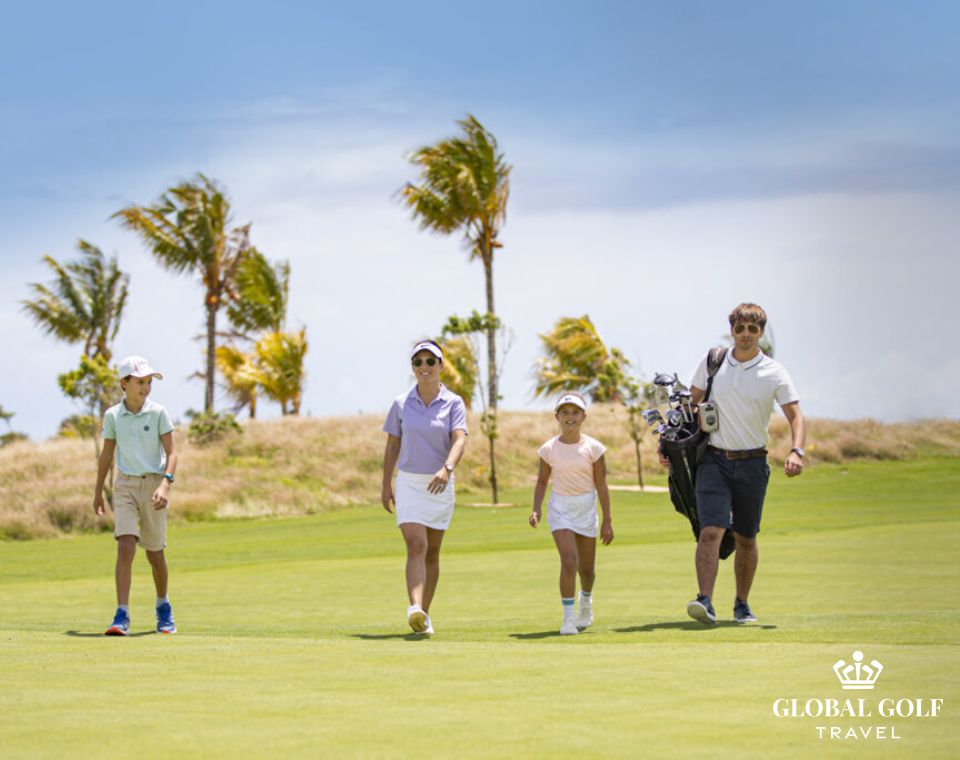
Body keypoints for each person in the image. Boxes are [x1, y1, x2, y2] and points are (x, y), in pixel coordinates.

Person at [662, 303, 805, 625]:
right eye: (739, 328)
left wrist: (797, 451)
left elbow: (795, 415)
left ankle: (741, 603)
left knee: (745, 537)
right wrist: (668, 445)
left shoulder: (775, 372)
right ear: (732, 330)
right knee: (711, 530)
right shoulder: (713, 362)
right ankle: (705, 600)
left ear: (761, 333)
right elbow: (689, 405)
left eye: (751, 329)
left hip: (753, 463)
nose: (744, 335)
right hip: (714, 459)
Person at [381, 340, 468, 635]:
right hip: (409, 482)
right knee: (416, 545)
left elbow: (459, 439)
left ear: (441, 366)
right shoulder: (401, 403)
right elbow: (393, 444)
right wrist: (385, 484)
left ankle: (423, 617)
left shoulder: (454, 403)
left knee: (432, 551)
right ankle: (414, 607)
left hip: (441, 482)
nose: (424, 367)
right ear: (413, 368)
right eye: (418, 362)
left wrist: (447, 468)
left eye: (430, 361)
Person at [93, 356, 178, 635]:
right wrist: (97, 491)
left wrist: (165, 485)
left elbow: (173, 452)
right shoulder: (113, 416)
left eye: (149, 382)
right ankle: (122, 615)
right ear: (124, 384)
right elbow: (107, 454)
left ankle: (163, 606)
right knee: (125, 545)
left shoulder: (158, 413)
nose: (146, 388)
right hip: (125, 485)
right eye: (140, 382)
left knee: (155, 554)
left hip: (154, 484)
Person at [530, 392, 614, 635]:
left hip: (586, 508)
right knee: (569, 560)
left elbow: (601, 485)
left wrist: (607, 520)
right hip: (560, 509)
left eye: (575, 412)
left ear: (583, 416)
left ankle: (585, 603)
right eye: (565, 412)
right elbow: (542, 481)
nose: (570, 416)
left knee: (587, 571)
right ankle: (567, 619)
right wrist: (536, 508)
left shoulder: (594, 448)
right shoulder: (548, 449)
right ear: (557, 416)